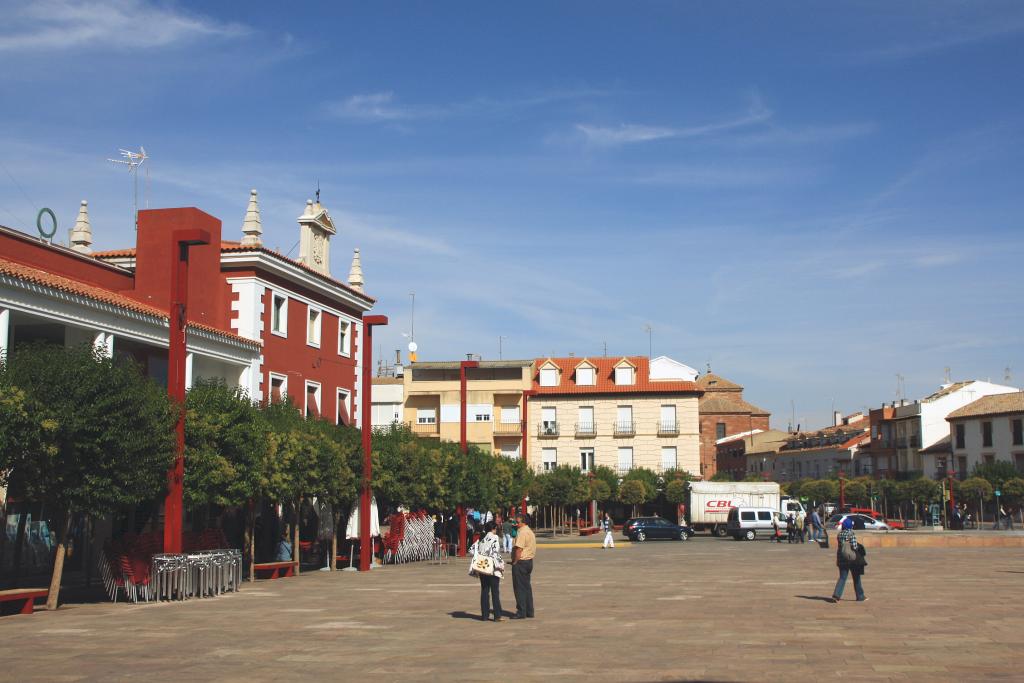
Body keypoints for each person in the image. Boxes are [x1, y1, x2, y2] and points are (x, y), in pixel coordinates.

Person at [469, 521, 505, 622]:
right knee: (495, 592)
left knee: (484, 591)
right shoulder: (495, 538)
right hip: (492, 568)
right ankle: (497, 615)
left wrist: (480, 555)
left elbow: (471, 550)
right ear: (494, 528)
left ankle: (484, 615)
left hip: (482, 567)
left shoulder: (482, 538)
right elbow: (495, 552)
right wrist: (499, 565)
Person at [831, 518, 867, 603]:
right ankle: (860, 596)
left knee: (842, 577)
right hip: (852, 559)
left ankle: (836, 595)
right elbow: (854, 547)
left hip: (841, 558)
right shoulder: (851, 533)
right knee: (856, 577)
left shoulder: (839, 534)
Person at [510, 513, 536, 619]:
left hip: (521, 562)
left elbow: (519, 549)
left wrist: (515, 561)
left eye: (517, 522)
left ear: (523, 522)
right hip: (529, 562)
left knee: (519, 587)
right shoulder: (529, 531)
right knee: (526, 587)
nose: (515, 524)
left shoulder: (522, 532)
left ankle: (521, 611)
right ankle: (529, 611)